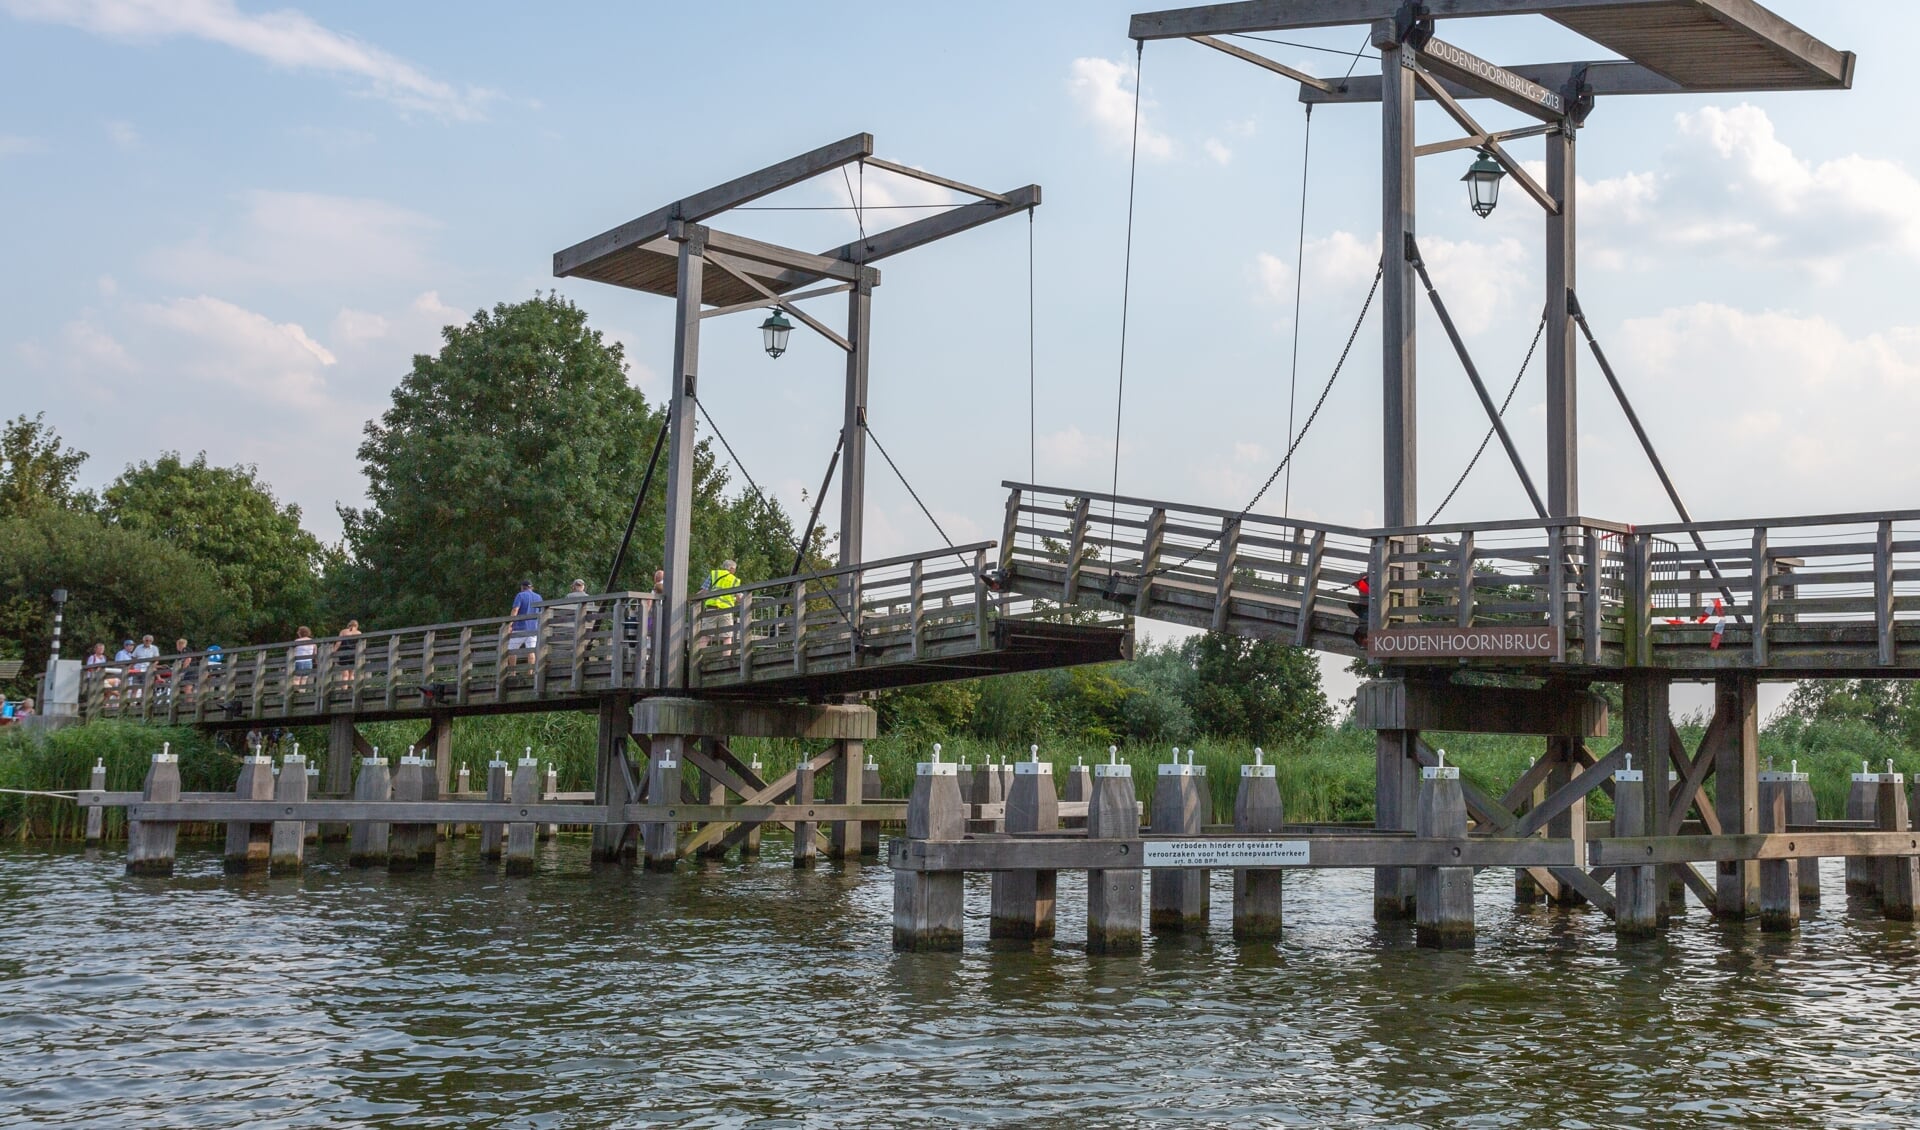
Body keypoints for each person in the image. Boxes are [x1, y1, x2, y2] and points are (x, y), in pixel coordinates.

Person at [698, 558, 742, 656]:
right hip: (726, 610)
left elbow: (704, 591)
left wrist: (692, 598)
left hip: (711, 609)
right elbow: (739, 597)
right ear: (731, 569)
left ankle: (698, 659)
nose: (734, 571)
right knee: (727, 637)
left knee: (705, 635)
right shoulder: (734, 580)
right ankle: (726, 659)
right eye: (734, 569)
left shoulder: (714, 574)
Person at [506, 580, 542, 674]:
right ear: (531, 587)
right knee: (531, 650)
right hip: (533, 628)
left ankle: (513, 673)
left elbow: (515, 610)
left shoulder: (520, 595)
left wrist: (510, 624)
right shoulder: (538, 597)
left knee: (512, 650)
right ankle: (530, 673)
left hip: (519, 627)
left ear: (522, 587)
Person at [336, 619, 362, 683]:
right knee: (351, 674)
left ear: (349, 625)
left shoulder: (343, 632)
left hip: (344, 654)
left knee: (345, 675)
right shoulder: (359, 633)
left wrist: (333, 651)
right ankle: (351, 690)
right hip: (354, 654)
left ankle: (344, 690)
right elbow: (360, 645)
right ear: (357, 626)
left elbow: (338, 643)